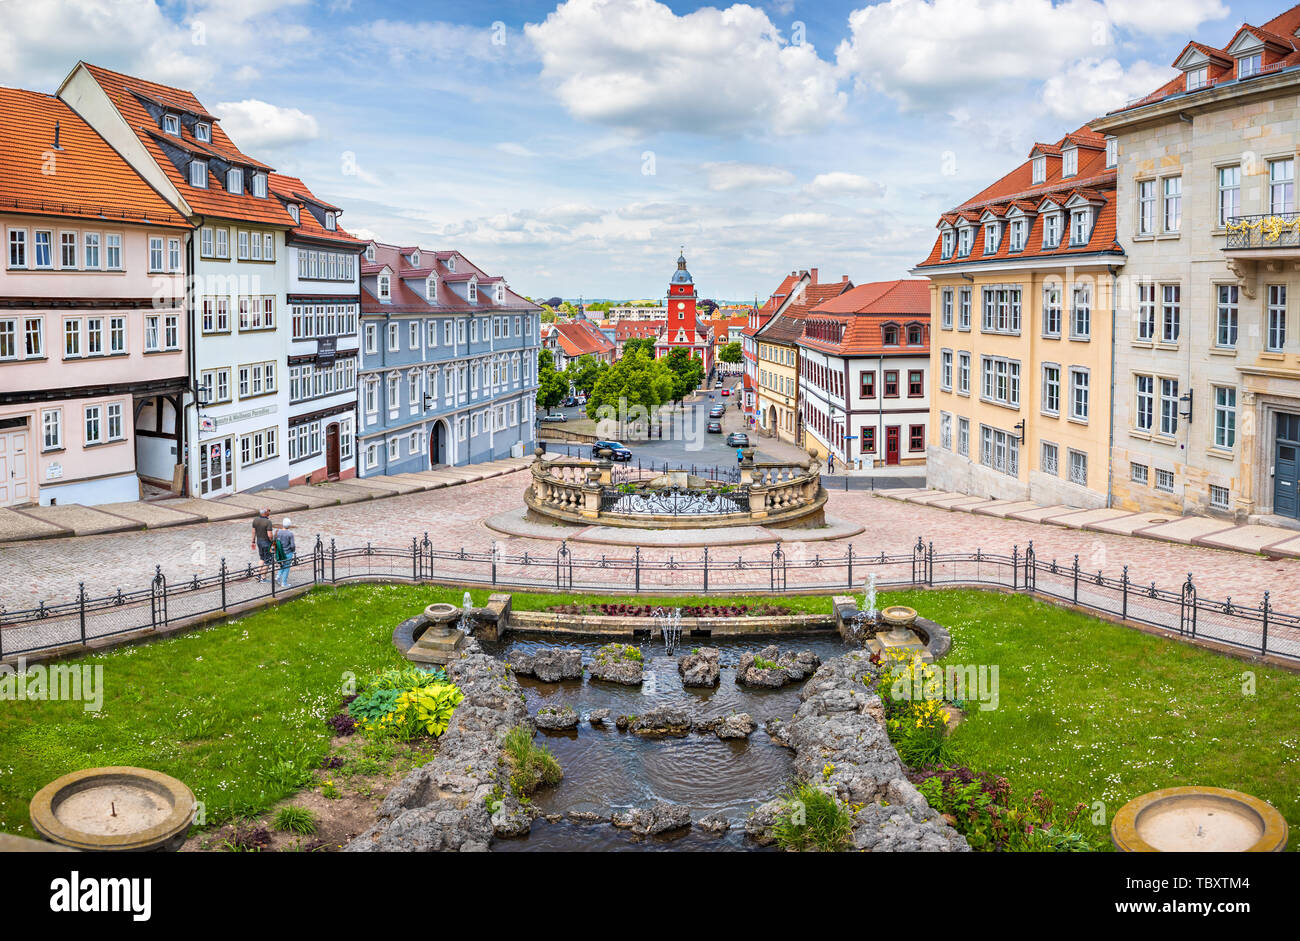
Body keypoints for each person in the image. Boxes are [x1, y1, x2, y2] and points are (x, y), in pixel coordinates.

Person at [251, 508, 273, 582]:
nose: (269, 512)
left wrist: (253, 541)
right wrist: (272, 541)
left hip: (259, 541)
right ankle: (263, 578)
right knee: (267, 561)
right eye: (267, 511)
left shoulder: (255, 520)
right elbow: (269, 535)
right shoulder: (268, 522)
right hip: (266, 542)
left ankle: (258, 574)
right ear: (265, 513)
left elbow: (253, 532)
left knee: (262, 558)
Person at [274, 518, 296, 588]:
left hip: (280, 552)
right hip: (287, 552)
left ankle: (278, 576)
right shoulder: (290, 534)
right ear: (289, 525)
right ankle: (284, 583)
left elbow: (274, 540)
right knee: (286, 567)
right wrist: (293, 550)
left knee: (281, 565)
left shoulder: (277, 532)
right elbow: (292, 545)